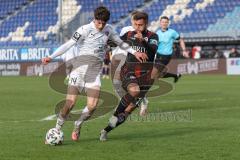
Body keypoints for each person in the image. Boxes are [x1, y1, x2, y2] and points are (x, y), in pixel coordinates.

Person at [42, 6, 147, 142]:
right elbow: (68, 44)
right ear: (94, 18)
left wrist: (135, 52)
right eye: (99, 22)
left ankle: (78, 124)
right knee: (70, 103)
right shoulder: (84, 30)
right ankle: (57, 129)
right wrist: (51, 56)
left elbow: (121, 43)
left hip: (94, 72)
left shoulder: (108, 29)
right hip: (78, 71)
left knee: (92, 106)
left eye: (103, 23)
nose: (101, 25)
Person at [100, 11, 159, 141]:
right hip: (129, 71)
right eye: (136, 24)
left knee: (128, 110)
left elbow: (152, 51)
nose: (138, 27)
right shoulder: (129, 34)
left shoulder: (153, 36)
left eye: (141, 25)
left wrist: (143, 41)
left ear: (146, 24)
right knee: (134, 90)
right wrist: (105, 42)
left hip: (146, 78)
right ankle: (115, 114)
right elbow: (116, 42)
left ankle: (106, 130)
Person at [154, 16, 189, 82]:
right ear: (160, 23)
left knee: (154, 74)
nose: (164, 23)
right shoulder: (157, 33)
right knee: (157, 75)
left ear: (168, 23)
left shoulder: (172, 32)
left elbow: (181, 40)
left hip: (166, 56)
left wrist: (184, 50)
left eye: (166, 22)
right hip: (158, 55)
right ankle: (175, 75)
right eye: (163, 22)